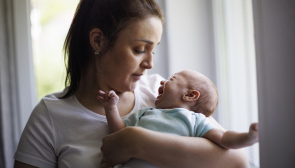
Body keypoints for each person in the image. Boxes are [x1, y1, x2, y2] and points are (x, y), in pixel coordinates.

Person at [14, 0, 249, 168]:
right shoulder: (49, 116)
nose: (149, 64)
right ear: (98, 40)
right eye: (140, 49)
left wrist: (138, 142)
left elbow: (237, 161)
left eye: (153, 50)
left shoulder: (163, 95)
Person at [98, 70, 259, 167]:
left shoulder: (196, 120)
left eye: (172, 78)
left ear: (189, 95)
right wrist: (111, 108)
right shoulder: (146, 112)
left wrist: (248, 137)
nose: (162, 81)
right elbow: (118, 134)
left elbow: (224, 139)